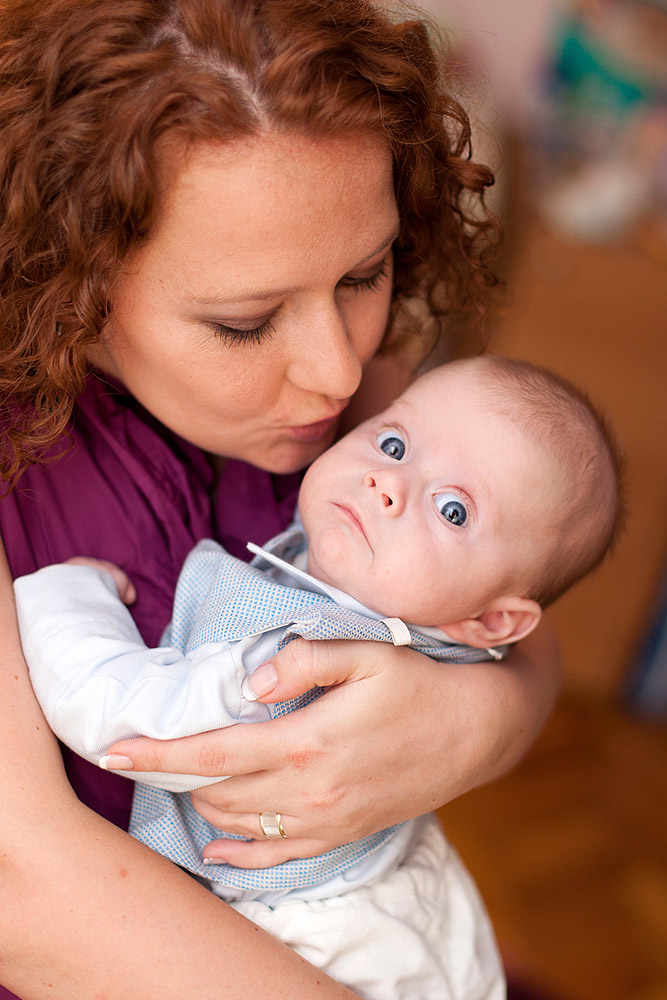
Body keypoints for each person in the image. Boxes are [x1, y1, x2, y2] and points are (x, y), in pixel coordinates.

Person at [0, 2, 561, 997]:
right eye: (246, 323)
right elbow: (23, 884)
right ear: (68, 268)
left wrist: (473, 718)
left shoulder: (368, 407)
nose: (337, 371)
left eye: (363, 274)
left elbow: (517, 608)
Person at [14, 356, 622, 1000]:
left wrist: (72, 594)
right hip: (410, 905)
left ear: (492, 621)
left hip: (322, 947)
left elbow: (119, 715)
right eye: (394, 445)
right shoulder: (410, 601)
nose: (387, 483)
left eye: (452, 511)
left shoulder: (301, 651)